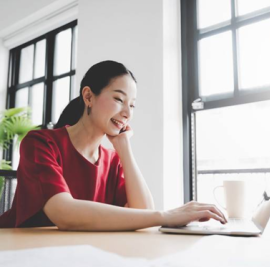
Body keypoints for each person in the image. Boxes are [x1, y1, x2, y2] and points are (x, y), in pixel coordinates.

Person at [0, 60, 227, 230]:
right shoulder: (41, 143)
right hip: (20, 252)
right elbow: (63, 212)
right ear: (88, 96)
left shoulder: (113, 160)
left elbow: (144, 214)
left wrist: (124, 149)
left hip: (76, 255)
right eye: (119, 99)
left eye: (133, 105)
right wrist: (166, 215)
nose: (127, 113)